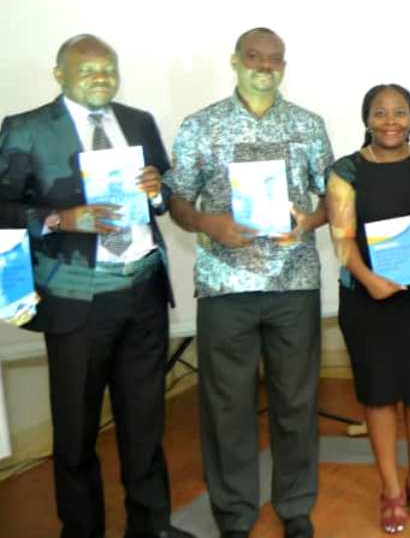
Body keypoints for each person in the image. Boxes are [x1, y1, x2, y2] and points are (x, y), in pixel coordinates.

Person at [0, 35, 194, 538]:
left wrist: (158, 191)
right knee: (76, 432)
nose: (101, 80)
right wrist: (61, 218)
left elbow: (165, 192)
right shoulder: (25, 130)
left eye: (109, 70)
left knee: (145, 424)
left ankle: (150, 526)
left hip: (143, 293)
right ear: (58, 74)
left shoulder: (137, 121)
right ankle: (82, 531)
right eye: (87, 72)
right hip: (75, 300)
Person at [165, 27, 333, 538]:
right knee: (226, 405)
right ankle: (235, 514)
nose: (264, 66)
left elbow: (334, 197)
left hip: (294, 282)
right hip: (224, 285)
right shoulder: (201, 126)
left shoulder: (308, 125)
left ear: (284, 66)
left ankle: (296, 505)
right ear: (235, 61)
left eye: (274, 59)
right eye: (254, 57)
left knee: (297, 402)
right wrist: (205, 223)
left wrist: (309, 220)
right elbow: (177, 198)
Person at [325, 84, 410, 533]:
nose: (390, 121)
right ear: (366, 119)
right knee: (378, 393)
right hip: (367, 297)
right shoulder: (345, 171)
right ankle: (391, 490)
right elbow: (341, 240)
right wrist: (368, 280)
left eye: (399, 112)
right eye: (380, 113)